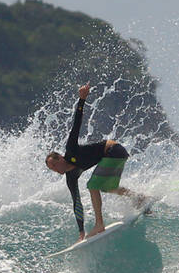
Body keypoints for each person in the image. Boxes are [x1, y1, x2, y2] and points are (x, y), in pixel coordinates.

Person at [45, 82, 149, 240]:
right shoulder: (70, 177)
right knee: (107, 187)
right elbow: (77, 204)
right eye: (52, 169)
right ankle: (138, 197)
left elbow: (76, 123)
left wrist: (82, 100)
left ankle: (99, 224)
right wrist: (81, 231)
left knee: (93, 185)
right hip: (115, 155)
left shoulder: (70, 150)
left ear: (59, 157)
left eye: (54, 165)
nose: (55, 170)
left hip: (114, 150)